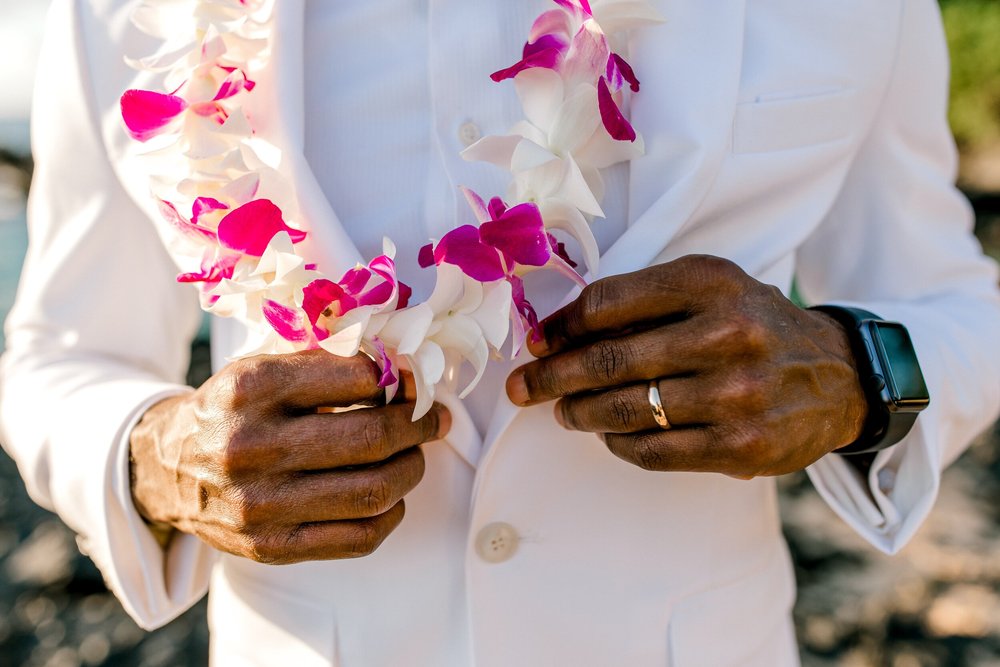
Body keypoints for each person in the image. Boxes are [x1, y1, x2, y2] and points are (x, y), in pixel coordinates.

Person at [2, 0, 998, 665]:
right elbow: (57, 350)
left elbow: (948, 296)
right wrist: (157, 455)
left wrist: (856, 370)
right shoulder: (129, 15)